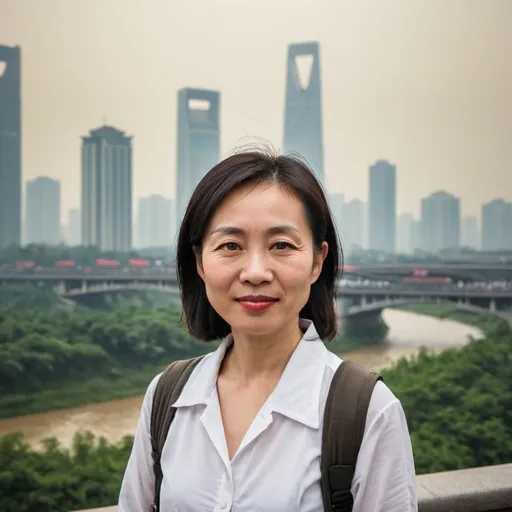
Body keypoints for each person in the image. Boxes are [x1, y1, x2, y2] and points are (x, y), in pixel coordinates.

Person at [118, 149, 418, 511]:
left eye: (281, 245)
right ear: (199, 261)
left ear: (317, 261)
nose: (256, 271)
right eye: (230, 245)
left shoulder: (367, 412)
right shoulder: (166, 398)